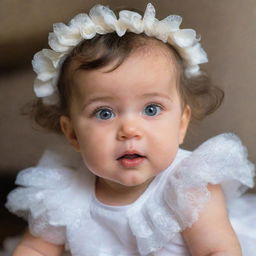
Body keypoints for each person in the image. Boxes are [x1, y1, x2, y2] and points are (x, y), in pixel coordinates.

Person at [4, 3, 256, 256]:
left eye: (151, 109)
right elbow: (36, 248)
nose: (129, 130)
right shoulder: (65, 193)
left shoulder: (189, 187)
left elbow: (217, 250)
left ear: (181, 124)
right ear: (72, 134)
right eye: (104, 113)